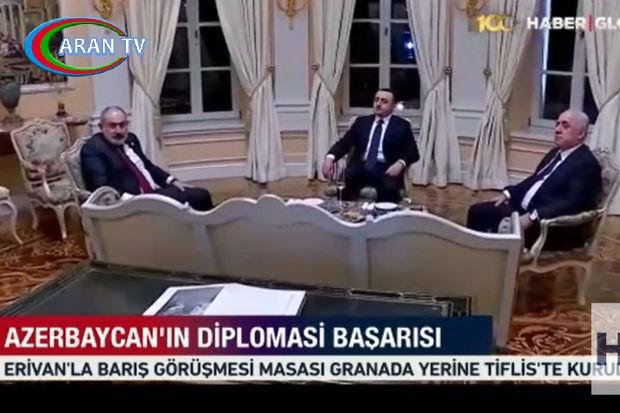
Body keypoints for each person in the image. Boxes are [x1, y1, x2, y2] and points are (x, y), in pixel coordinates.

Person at [467, 109, 602, 250]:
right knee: (478, 211)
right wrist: (508, 194)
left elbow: (574, 203)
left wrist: (534, 216)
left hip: (550, 226)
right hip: (525, 210)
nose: (557, 130)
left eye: (565, 125)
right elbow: (534, 180)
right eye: (557, 124)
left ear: (581, 134)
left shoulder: (586, 164)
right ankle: (478, 255)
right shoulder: (555, 153)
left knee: (496, 223)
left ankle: (495, 258)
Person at [81, 106, 214, 211]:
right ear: (101, 127)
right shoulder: (93, 149)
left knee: (200, 195)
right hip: (134, 203)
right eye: (112, 125)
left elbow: (148, 166)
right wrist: (132, 201)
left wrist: (171, 180)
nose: (119, 130)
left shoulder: (131, 139)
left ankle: (200, 231)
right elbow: (101, 187)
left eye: (122, 125)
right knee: (199, 197)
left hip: (153, 193)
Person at [321, 88, 419, 203]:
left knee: (388, 191)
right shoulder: (361, 122)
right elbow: (344, 143)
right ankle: (346, 212)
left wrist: (401, 163)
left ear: (393, 106)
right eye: (376, 100)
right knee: (345, 185)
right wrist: (329, 157)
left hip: (386, 169)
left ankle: (383, 214)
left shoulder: (402, 125)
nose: (378, 104)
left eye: (384, 101)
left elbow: (413, 152)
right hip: (360, 167)